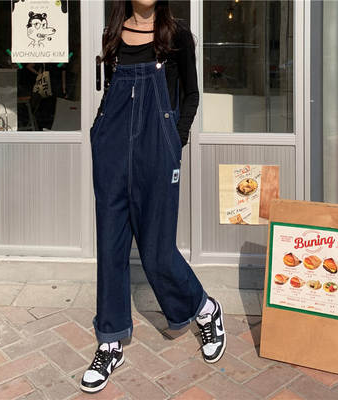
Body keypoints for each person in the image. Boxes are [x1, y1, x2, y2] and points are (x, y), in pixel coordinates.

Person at [81, 0, 226, 393]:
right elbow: (110, 93)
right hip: (112, 149)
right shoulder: (113, 35)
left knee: (157, 251)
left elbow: (191, 95)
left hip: (157, 149)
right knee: (111, 246)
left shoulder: (177, 35)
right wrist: (98, 134)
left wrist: (174, 143)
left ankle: (204, 308)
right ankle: (110, 340)